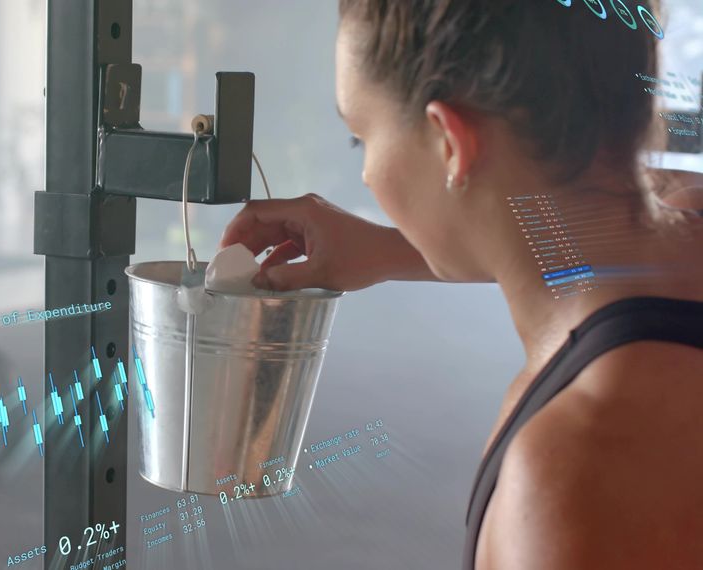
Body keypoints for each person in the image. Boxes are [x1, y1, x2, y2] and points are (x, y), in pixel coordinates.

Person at [219, 1, 703, 568]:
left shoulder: (570, 476)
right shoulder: (686, 215)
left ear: (449, 141)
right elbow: (586, 206)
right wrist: (389, 248)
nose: (369, 174)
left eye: (361, 139)